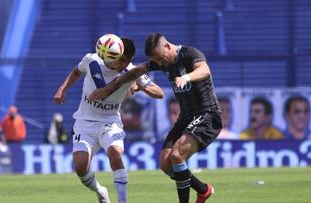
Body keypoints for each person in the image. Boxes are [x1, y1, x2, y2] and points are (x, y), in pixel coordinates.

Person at [89, 33, 222, 203]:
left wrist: (186, 77)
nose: (160, 63)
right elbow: (136, 71)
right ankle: (203, 190)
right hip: (186, 117)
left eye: (160, 59)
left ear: (166, 46)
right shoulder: (161, 61)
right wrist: (110, 88)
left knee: (177, 155)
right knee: (166, 165)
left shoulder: (190, 54)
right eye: (156, 61)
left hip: (207, 114)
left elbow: (204, 70)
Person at [54, 36, 164, 203]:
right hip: (85, 123)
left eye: (129, 60)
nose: (126, 64)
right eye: (124, 60)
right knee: (81, 168)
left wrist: (142, 86)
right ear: (115, 55)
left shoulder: (131, 71)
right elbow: (77, 71)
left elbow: (159, 93)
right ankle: (100, 191)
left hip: (110, 122)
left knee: (115, 154)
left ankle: (122, 201)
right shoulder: (92, 60)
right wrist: (62, 89)